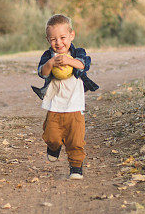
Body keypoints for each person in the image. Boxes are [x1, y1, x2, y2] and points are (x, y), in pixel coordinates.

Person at [32, 14, 98, 179]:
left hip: (75, 106)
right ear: (48, 40)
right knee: (51, 136)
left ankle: (76, 168)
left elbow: (83, 65)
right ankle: (54, 147)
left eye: (62, 38)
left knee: (76, 140)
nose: (59, 42)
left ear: (71, 36)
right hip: (55, 106)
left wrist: (68, 61)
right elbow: (42, 72)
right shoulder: (48, 56)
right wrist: (51, 63)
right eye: (53, 39)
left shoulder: (78, 52)